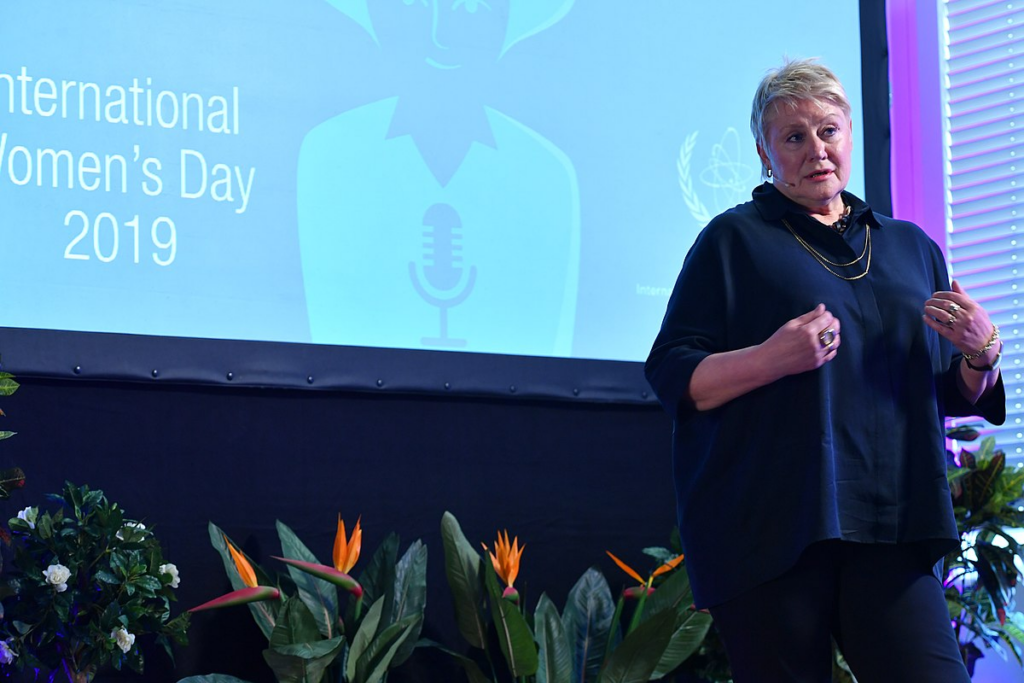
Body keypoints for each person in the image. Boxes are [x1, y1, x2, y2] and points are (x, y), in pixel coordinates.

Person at [645, 58, 1005, 682]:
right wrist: (770, 359)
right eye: (794, 137)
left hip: (894, 524)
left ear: (849, 134)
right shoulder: (733, 241)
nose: (817, 149)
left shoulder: (910, 246)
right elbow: (673, 373)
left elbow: (948, 390)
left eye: (828, 130)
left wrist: (983, 353)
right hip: (772, 532)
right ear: (765, 154)